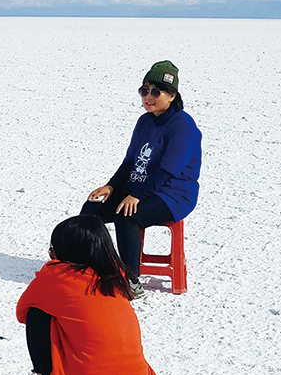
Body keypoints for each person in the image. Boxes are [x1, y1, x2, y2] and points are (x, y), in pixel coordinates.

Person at [15, 215, 157, 375]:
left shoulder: (56, 276)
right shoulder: (118, 278)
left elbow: (22, 313)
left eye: (53, 248)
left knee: (38, 314)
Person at [80, 60, 201, 296]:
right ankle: (88, 266)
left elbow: (168, 171)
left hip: (173, 194)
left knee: (127, 215)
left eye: (156, 92)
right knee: (91, 210)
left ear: (172, 95)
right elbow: (130, 162)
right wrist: (111, 186)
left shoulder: (183, 126)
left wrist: (136, 195)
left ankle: (131, 280)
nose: (148, 97)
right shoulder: (144, 121)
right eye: (144, 91)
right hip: (141, 186)